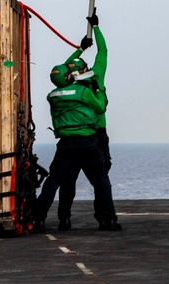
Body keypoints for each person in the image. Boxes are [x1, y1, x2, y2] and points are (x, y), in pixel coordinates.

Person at [33, 16, 121, 231]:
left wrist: (79, 49)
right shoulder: (94, 80)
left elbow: (63, 71)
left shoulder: (57, 92)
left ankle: (62, 218)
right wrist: (97, 28)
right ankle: (105, 218)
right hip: (94, 134)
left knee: (64, 180)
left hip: (67, 140)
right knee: (101, 179)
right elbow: (103, 53)